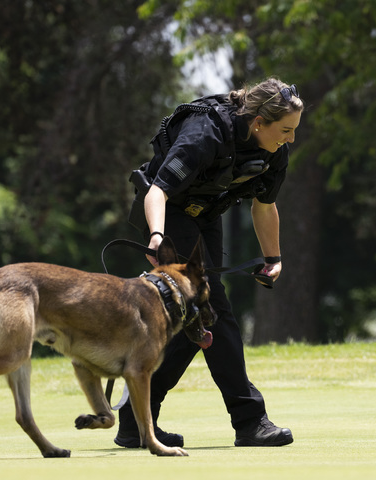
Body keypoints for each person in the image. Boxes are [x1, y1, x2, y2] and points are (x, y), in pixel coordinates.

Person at [116, 77, 304, 448]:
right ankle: (250, 421)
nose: (291, 139)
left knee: (196, 322)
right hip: (167, 216)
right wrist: (156, 237)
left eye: (295, 130)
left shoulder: (274, 150)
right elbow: (157, 192)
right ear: (258, 123)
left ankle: (136, 418)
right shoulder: (206, 133)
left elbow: (264, 206)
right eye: (286, 130)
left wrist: (273, 258)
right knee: (211, 308)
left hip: (205, 216)